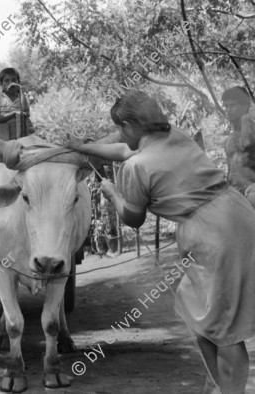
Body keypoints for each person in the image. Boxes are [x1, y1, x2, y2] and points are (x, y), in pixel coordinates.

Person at [66, 90, 255, 394]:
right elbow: (125, 151)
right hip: (236, 216)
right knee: (195, 308)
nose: (119, 134)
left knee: (224, 325)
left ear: (129, 125)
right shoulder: (175, 137)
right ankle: (219, 383)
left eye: (119, 127)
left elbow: (133, 218)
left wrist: (113, 193)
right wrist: (83, 146)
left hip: (214, 233)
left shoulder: (137, 167)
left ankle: (231, 390)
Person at [221, 86, 255, 207]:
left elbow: (248, 145)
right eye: (226, 106)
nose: (228, 109)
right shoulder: (229, 139)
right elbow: (231, 170)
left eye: (232, 105)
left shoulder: (251, 130)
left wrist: (246, 120)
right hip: (235, 192)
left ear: (245, 106)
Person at [0, 67, 35, 134]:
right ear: (1, 84)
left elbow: (26, 113)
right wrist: (14, 113)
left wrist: (20, 90)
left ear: (19, 82)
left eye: (14, 80)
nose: (11, 83)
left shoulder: (21, 98)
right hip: (3, 135)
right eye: (6, 81)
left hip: (21, 134)